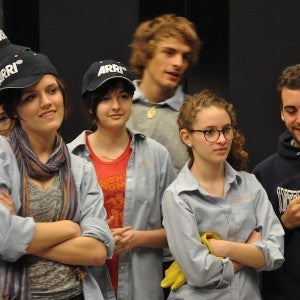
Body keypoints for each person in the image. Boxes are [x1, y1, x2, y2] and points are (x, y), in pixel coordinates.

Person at [0, 50, 114, 299]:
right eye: (31, 97)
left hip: (76, 294)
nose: (47, 102)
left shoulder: (81, 168)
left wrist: (21, 242)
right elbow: (3, 238)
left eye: (52, 90)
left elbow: (96, 251)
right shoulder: (2, 158)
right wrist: (70, 228)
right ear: (15, 109)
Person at [68, 59, 177, 299]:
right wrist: (95, 237)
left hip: (143, 287)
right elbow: (57, 229)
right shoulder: (69, 158)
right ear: (90, 106)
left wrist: (137, 239)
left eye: (123, 97)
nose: (116, 106)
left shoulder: (157, 155)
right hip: (86, 286)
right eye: (106, 98)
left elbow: (178, 230)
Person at [161, 89, 284, 299]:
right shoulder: (178, 197)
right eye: (209, 132)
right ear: (186, 137)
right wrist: (249, 251)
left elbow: (275, 253)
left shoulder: (250, 184)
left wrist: (221, 247)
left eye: (226, 129)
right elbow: (200, 273)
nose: (222, 139)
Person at [126, 13, 201, 173]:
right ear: (146, 54)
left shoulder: (197, 114)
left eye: (185, 56)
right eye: (169, 52)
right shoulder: (116, 107)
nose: (179, 63)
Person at [253, 64, 300, 300]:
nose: (299, 119)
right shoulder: (264, 173)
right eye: (291, 110)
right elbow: (253, 245)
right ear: (281, 112)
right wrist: (284, 222)